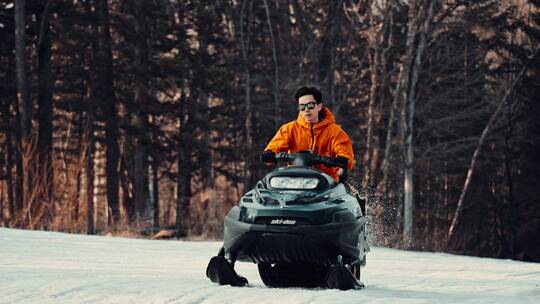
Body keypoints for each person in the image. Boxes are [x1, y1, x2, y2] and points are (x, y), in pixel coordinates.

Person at [260, 86, 355, 182]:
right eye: (302, 106)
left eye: (310, 105)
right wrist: (270, 153)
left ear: (319, 106)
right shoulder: (289, 129)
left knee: (341, 194)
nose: (306, 109)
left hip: (326, 181)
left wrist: (343, 159)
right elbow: (275, 145)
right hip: (295, 179)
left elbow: (344, 151)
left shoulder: (335, 131)